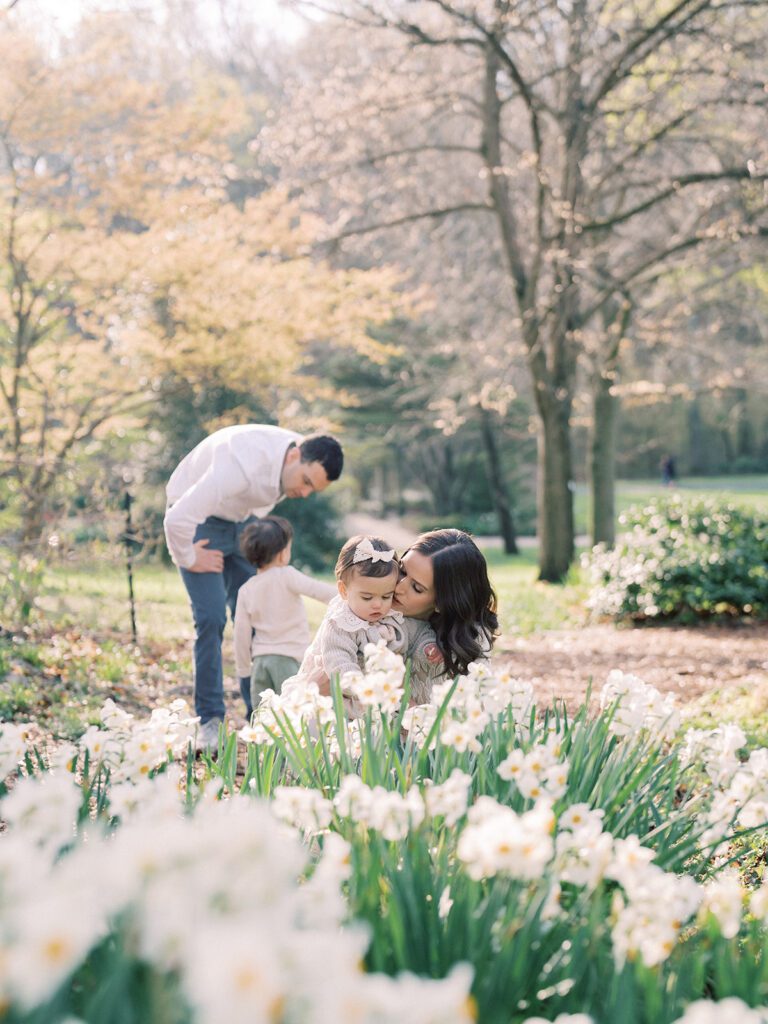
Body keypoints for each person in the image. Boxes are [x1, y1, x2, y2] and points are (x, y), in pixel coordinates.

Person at [163, 424, 343, 749]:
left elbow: (260, 503)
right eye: (305, 481)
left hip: (242, 523)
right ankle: (210, 722)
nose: (304, 493)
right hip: (198, 521)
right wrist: (189, 557)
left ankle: (263, 719)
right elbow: (177, 518)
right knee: (211, 619)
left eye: (312, 489)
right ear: (293, 455)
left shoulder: (293, 461)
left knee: (259, 617)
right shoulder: (239, 464)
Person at [283, 535, 410, 705]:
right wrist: (362, 686)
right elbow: (338, 662)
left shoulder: (390, 614)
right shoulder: (340, 624)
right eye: (367, 597)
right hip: (338, 697)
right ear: (344, 590)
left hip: (373, 697)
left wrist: (429, 644)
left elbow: (415, 631)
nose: (378, 604)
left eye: (387, 596)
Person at [232, 516, 337, 721]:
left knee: (264, 719)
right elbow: (321, 592)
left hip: (261, 662)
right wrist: (351, 600)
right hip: (289, 661)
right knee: (294, 718)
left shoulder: (246, 590)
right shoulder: (286, 575)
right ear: (282, 554)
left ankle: (265, 753)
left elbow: (241, 634)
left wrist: (244, 670)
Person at [393, 528, 499, 703]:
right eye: (402, 571)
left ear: (442, 603)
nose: (398, 587)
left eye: (417, 588)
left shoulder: (467, 645)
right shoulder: (376, 609)